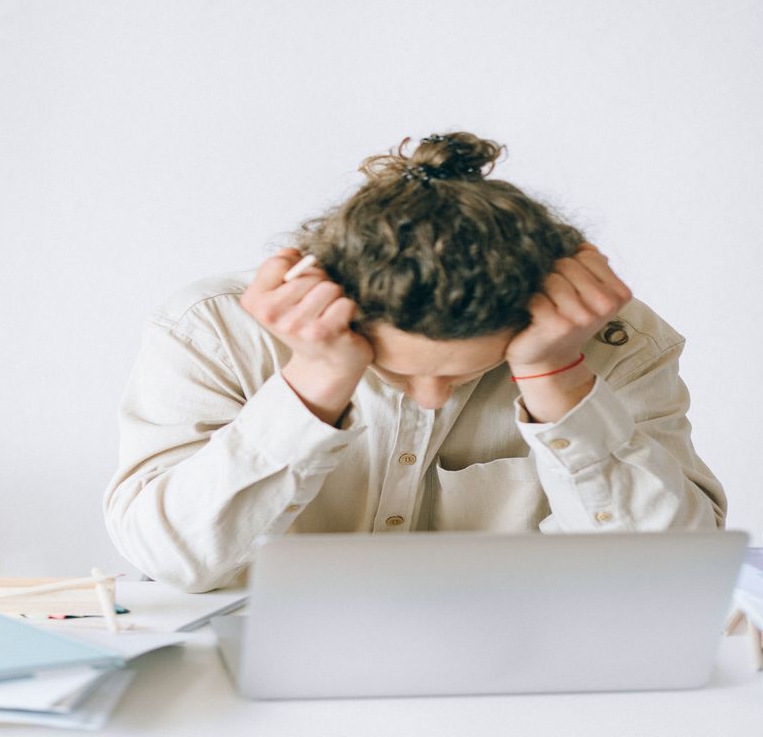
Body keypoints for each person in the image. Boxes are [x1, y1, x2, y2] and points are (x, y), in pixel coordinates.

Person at [104, 131, 727, 592]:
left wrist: (558, 379)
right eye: (397, 371)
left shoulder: (610, 342)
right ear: (337, 306)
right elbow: (173, 560)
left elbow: (671, 575)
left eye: (465, 373)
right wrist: (315, 382)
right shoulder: (215, 330)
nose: (430, 398)